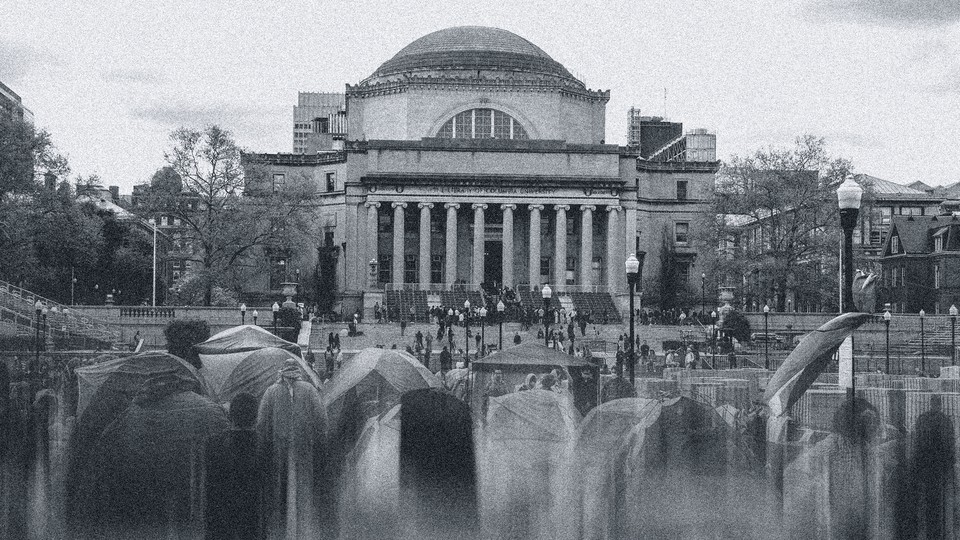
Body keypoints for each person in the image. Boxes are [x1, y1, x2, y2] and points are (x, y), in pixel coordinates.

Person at [257, 360, 328, 539]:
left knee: (280, 493)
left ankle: (282, 531)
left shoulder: (271, 391)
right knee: (302, 491)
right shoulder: (310, 390)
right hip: (304, 450)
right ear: (297, 372)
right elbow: (321, 421)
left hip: (278, 451)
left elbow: (261, 424)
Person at [205, 392, 262, 540]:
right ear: (256, 416)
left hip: (219, 518)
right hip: (252, 519)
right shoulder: (264, 445)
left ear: (230, 415)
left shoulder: (213, 443)